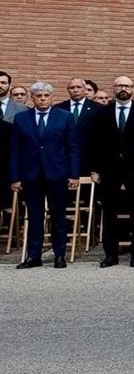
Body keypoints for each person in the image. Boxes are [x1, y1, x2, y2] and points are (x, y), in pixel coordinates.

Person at [86, 76, 134, 267]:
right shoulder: (102, 112)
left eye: (127, 86)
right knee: (109, 213)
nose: (123, 89)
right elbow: (94, 143)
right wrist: (94, 169)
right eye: (120, 86)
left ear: (132, 89)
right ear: (114, 88)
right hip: (108, 169)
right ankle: (110, 254)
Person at [9, 82, 78, 269]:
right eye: (38, 96)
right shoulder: (21, 118)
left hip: (57, 173)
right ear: (32, 98)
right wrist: (15, 177)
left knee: (58, 216)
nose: (42, 99)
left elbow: (72, 147)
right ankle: (34, 256)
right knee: (34, 217)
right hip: (31, 174)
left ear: (52, 97)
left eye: (46, 95)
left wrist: (74, 174)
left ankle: (59, 255)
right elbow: (15, 150)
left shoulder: (65, 117)